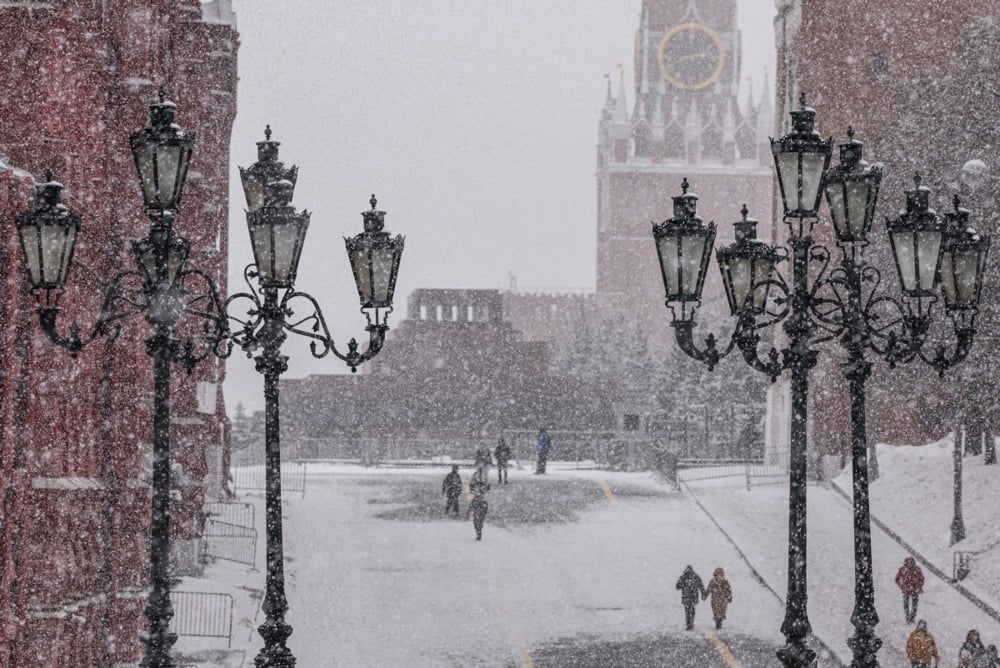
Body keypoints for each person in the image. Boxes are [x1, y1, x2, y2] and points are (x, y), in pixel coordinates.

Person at [895, 556, 925, 624]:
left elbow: (922, 579)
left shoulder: (913, 569)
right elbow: (897, 579)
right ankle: (909, 618)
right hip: (911, 590)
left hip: (912, 590)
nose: (909, 565)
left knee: (911, 605)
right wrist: (902, 586)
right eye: (908, 564)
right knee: (910, 605)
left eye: (911, 563)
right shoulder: (914, 569)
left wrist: (902, 586)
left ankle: (910, 618)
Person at [675, 565, 705, 631]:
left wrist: (683, 585)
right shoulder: (696, 576)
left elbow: (677, 587)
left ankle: (688, 623)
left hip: (686, 597)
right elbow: (701, 586)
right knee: (692, 611)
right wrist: (703, 594)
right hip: (694, 597)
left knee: (687, 611)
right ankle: (691, 623)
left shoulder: (683, 577)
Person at [468, 463, 490, 541]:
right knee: (477, 517)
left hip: (481, 499)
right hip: (478, 499)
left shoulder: (484, 476)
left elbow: (488, 487)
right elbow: (471, 486)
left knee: (479, 517)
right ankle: (478, 530)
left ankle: (479, 531)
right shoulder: (476, 476)